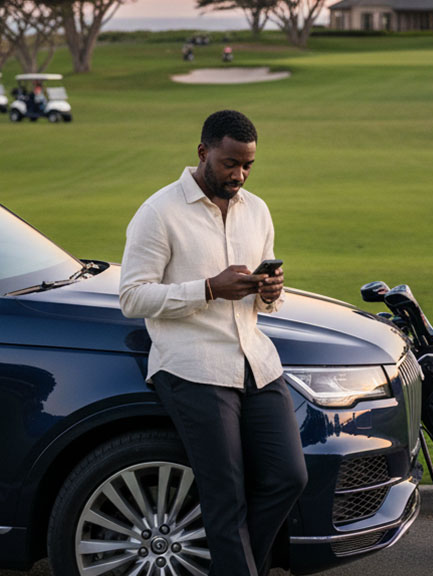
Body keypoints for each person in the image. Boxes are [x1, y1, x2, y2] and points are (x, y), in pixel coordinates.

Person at [119, 110, 307, 576]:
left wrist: (271, 292)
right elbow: (131, 297)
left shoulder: (257, 210)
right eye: (229, 164)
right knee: (225, 495)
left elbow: (264, 302)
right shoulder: (158, 213)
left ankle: (237, 566)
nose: (239, 176)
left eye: (248, 166)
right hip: (191, 366)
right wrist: (207, 288)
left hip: (257, 363)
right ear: (203, 152)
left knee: (289, 476)